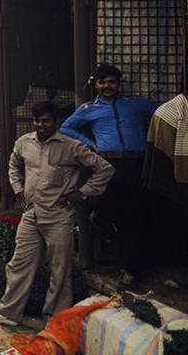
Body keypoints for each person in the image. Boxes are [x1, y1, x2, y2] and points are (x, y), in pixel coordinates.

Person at [0, 102, 114, 326]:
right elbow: (13, 165)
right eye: (37, 120)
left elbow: (105, 169)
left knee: (60, 269)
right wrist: (18, 189)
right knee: (19, 264)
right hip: (31, 215)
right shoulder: (24, 143)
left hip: (58, 216)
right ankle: (7, 314)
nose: (41, 125)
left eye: (46, 121)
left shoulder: (72, 146)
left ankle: (55, 319)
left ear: (56, 122)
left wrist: (81, 194)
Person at [60, 63, 157, 280]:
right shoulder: (89, 109)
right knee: (106, 211)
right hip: (108, 166)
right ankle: (107, 251)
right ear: (96, 84)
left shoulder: (135, 105)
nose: (107, 86)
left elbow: (161, 114)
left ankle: (129, 268)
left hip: (136, 164)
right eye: (102, 82)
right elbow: (65, 128)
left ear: (118, 83)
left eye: (111, 81)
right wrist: (90, 143)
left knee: (135, 215)